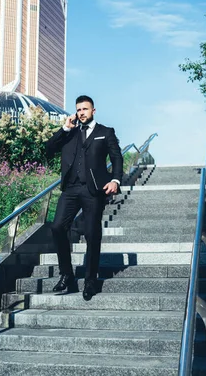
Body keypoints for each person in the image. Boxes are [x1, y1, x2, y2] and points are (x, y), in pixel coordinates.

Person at [46, 95, 123, 300]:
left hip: (93, 191)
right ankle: (67, 275)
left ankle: (90, 280)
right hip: (70, 189)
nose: (81, 113)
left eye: (85, 109)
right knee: (57, 227)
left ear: (93, 111)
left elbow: (116, 157)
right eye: (78, 109)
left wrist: (115, 180)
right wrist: (64, 129)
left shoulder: (105, 132)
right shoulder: (69, 133)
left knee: (91, 233)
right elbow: (49, 149)